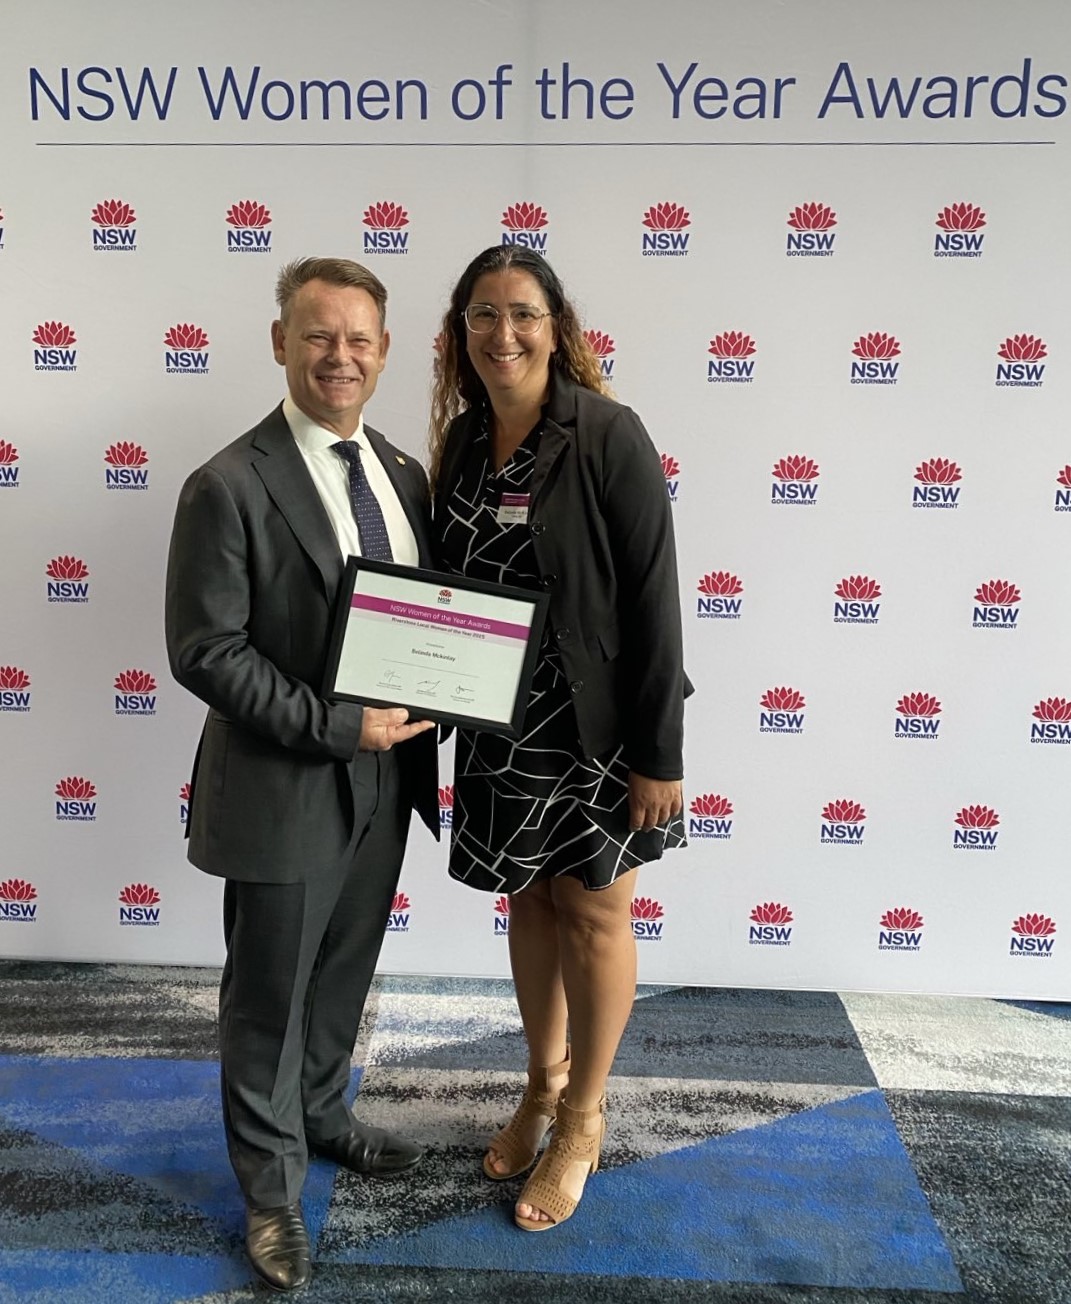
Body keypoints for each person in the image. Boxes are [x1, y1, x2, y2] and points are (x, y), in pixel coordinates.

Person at [165, 256, 438, 1292]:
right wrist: (337, 724)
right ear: (280, 342)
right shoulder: (228, 482)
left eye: (360, 338)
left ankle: (321, 1113)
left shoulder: (404, 473)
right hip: (288, 778)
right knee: (266, 999)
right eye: (320, 334)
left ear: (383, 351)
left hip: (387, 780)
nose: (341, 355)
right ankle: (271, 1193)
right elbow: (205, 649)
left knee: (341, 972)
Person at [428, 245, 688, 1231]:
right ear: (460, 333)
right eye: (484, 315)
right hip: (499, 724)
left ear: (556, 324)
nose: (505, 334)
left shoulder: (607, 433)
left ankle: (584, 1116)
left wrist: (658, 751)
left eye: (524, 314)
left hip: (596, 727)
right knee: (527, 905)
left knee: (594, 916)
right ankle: (540, 1082)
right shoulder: (460, 442)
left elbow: (658, 599)